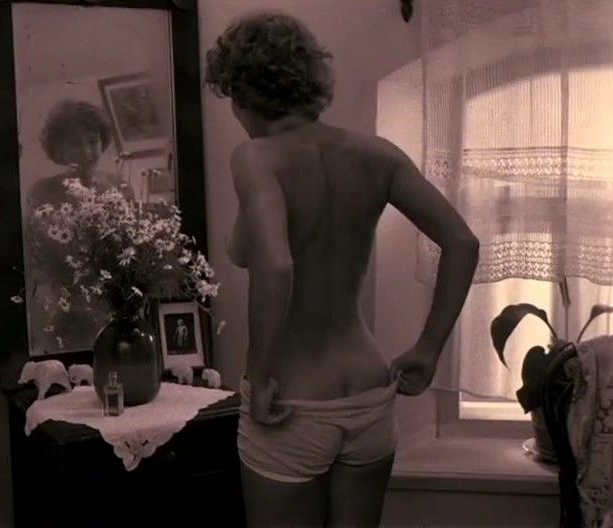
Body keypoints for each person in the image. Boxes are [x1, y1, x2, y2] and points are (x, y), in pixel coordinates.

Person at [205, 10, 480, 528]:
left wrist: (259, 374)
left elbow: (276, 265)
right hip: (368, 394)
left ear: (241, 92)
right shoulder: (378, 154)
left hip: (294, 398)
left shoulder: (256, 158)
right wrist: (428, 349)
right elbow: (462, 242)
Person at [25, 99, 134, 352]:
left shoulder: (121, 188)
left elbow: (130, 252)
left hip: (109, 305)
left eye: (92, 141)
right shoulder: (42, 192)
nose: (86, 151)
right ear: (58, 149)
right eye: (75, 143)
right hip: (61, 306)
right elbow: (34, 258)